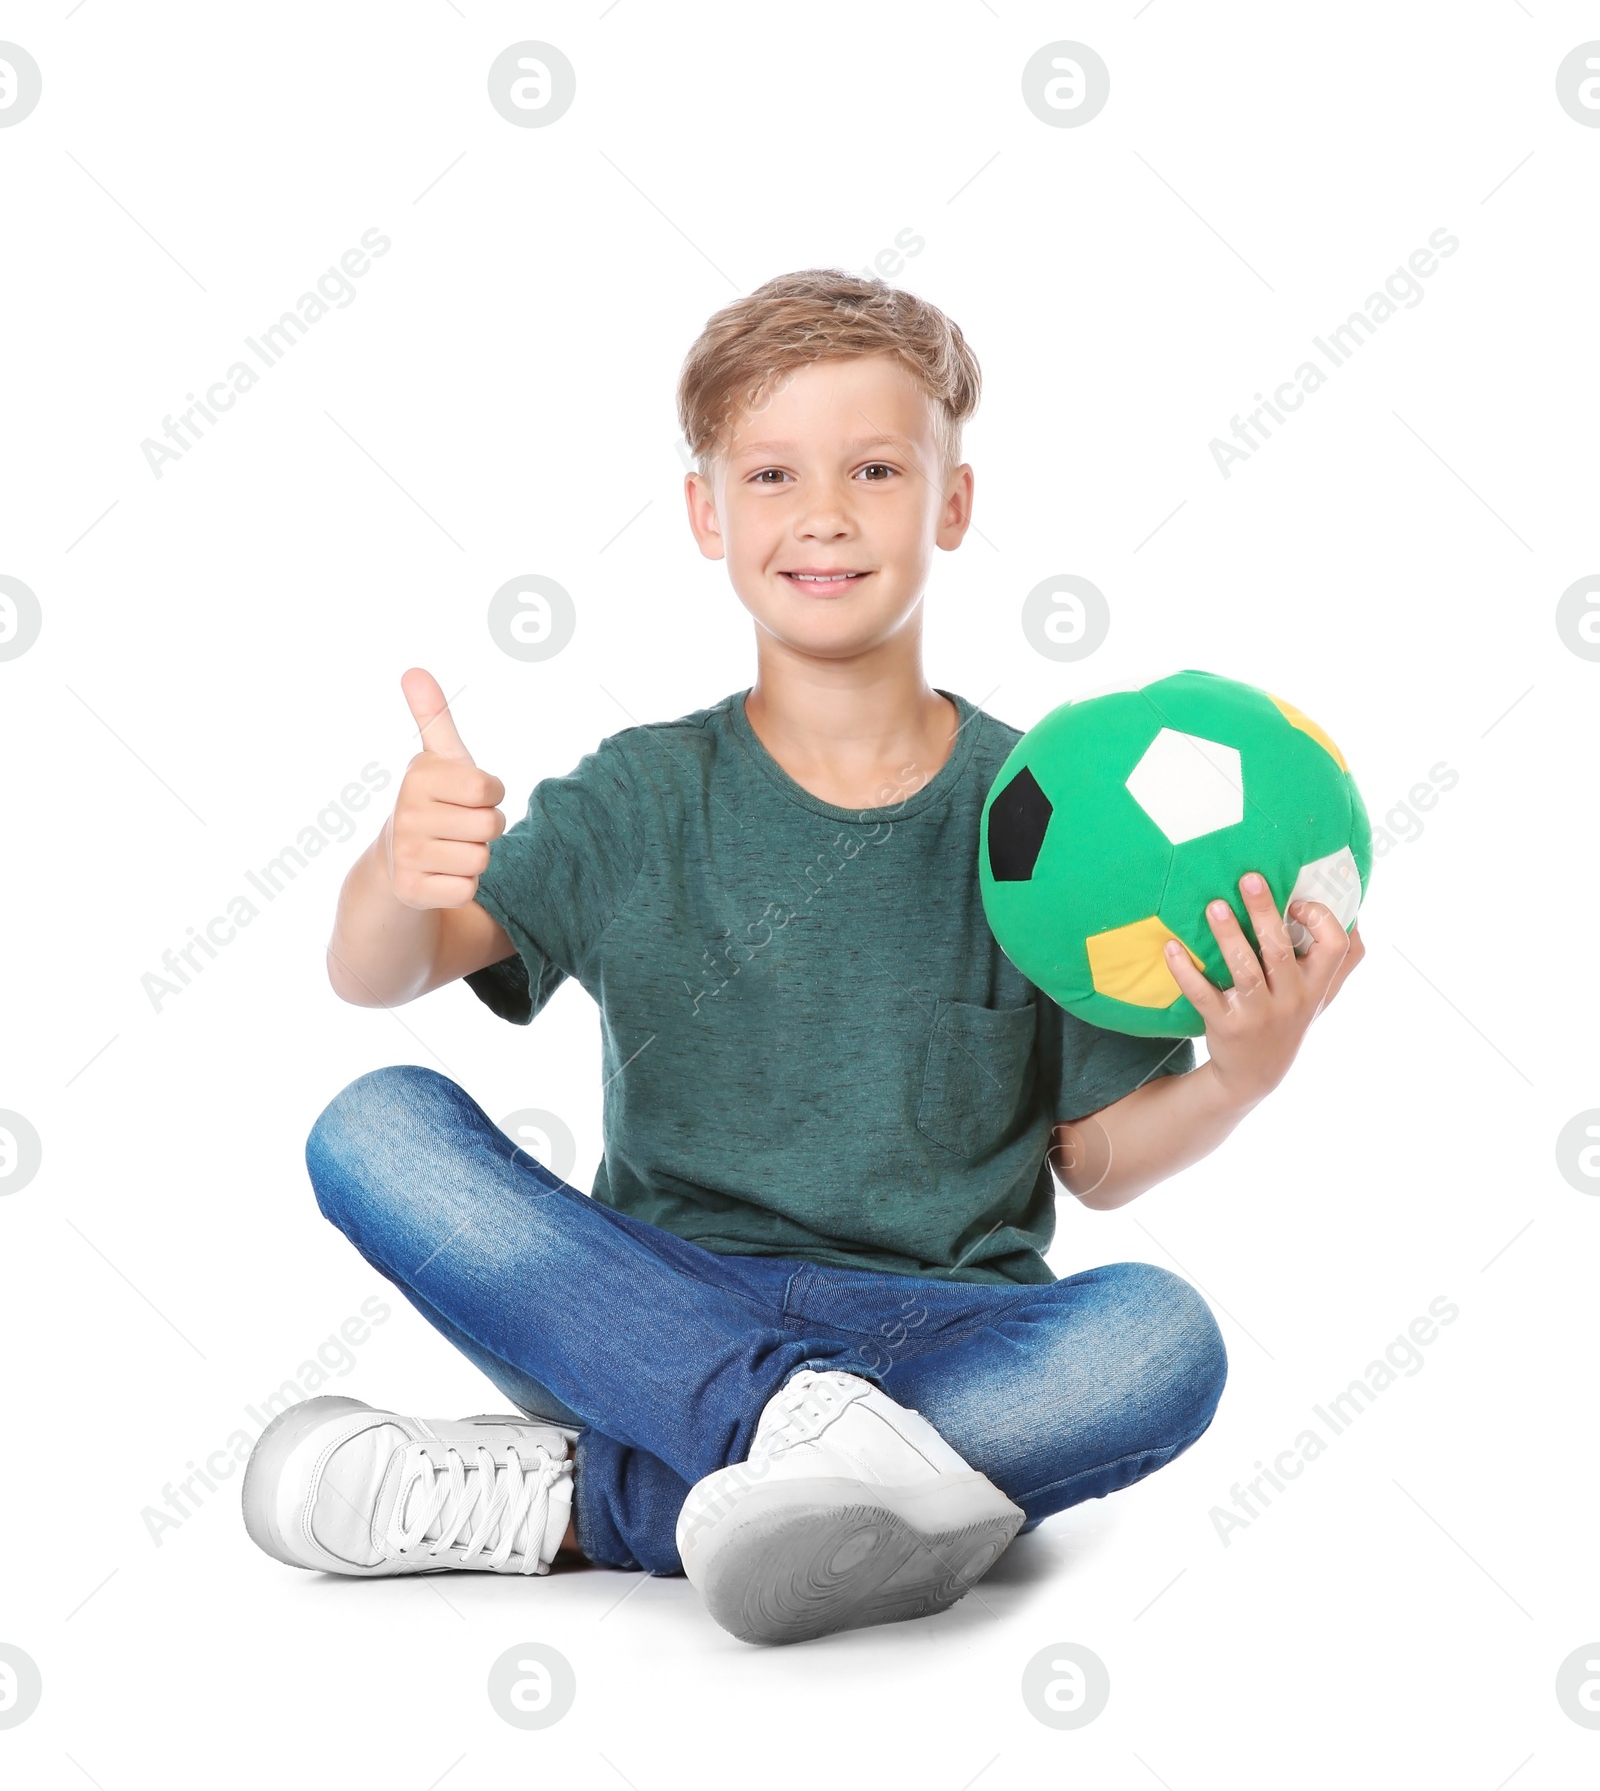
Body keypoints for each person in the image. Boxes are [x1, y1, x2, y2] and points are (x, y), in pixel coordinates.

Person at [240, 269, 1363, 1646]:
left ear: (952, 502)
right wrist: (396, 877)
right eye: (772, 473)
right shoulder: (643, 794)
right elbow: (381, 975)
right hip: (646, 1309)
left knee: (1161, 1338)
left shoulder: (1060, 814)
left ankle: (588, 1503)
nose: (824, 513)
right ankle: (793, 1446)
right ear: (710, 513)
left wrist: (1244, 1073)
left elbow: (1100, 1158)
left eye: (877, 469)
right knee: (374, 1125)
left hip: (938, 1335)